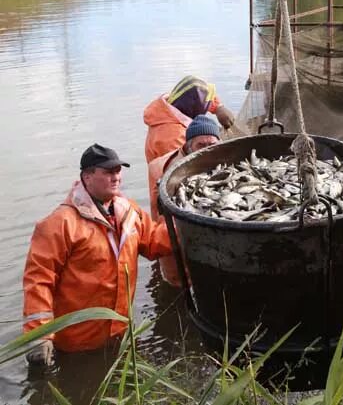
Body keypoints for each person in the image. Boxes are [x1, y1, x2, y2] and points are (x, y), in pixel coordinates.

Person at [23, 144, 172, 366]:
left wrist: (185, 226)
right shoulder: (60, 223)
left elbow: (154, 243)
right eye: (108, 172)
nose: (116, 178)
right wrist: (39, 336)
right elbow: (39, 280)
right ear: (87, 176)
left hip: (119, 334)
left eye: (118, 171)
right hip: (76, 343)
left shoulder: (129, 212)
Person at [147, 114, 221, 287]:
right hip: (174, 232)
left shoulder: (218, 159)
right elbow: (164, 222)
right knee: (181, 277)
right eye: (200, 145)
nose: (207, 150)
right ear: (188, 147)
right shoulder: (169, 172)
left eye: (212, 145)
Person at [144, 75, 234, 162]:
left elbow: (202, 93)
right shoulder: (173, 137)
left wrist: (219, 107)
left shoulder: (171, 102)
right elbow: (186, 168)